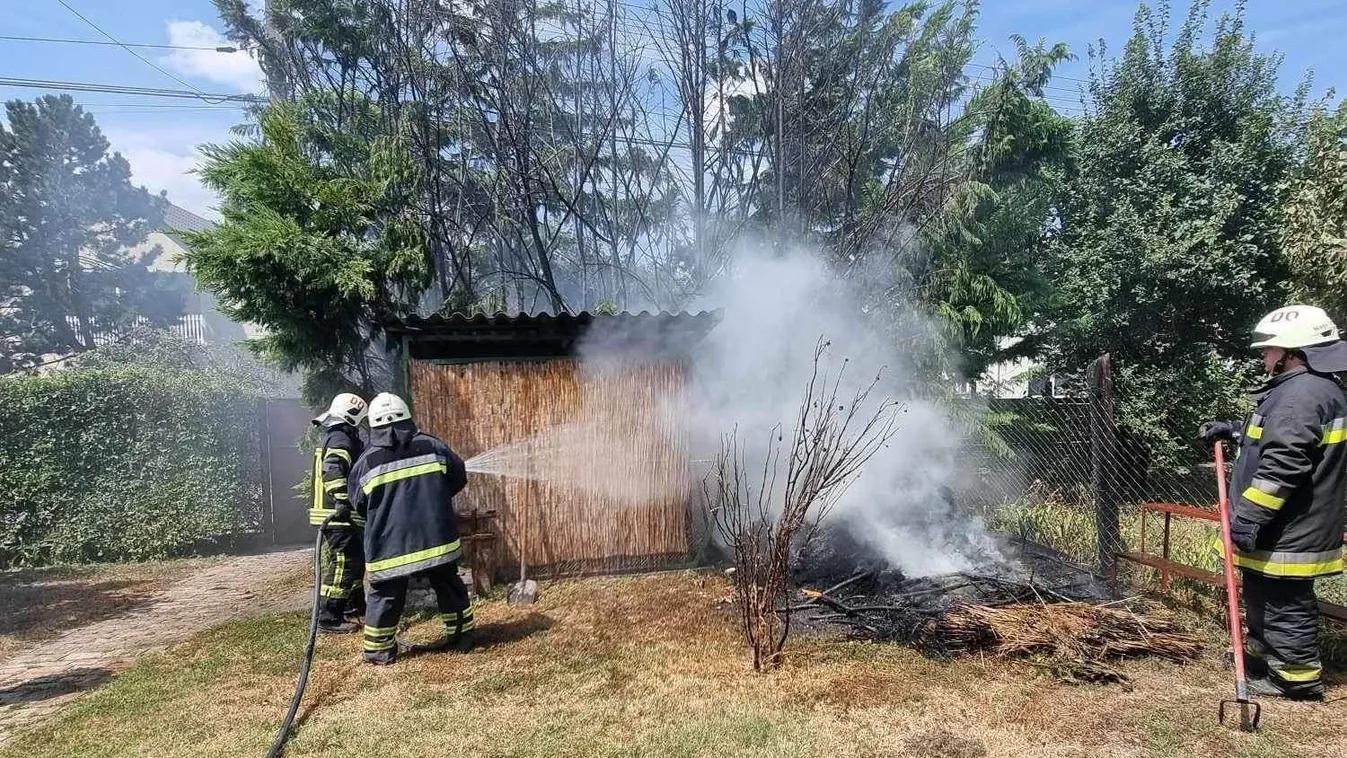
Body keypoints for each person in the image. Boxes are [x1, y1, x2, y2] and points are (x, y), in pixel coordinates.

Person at [1199, 304, 1347, 700]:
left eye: (1269, 350)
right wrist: (1235, 431)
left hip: (1290, 528)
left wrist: (1247, 517)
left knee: (1285, 604)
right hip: (1284, 524)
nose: (1263, 356)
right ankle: (1265, 660)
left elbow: (1283, 465)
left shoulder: (1301, 395)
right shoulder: (1306, 391)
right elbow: (1278, 439)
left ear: (1292, 353)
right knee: (1263, 596)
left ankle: (1296, 681)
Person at [348, 392, 475, 665]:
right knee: (449, 584)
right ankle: (463, 636)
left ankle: (379, 651)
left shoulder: (366, 462)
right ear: (407, 417)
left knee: (385, 595)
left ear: (373, 425)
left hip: (389, 546)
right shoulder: (433, 447)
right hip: (437, 539)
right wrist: (434, 498)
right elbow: (458, 477)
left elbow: (358, 503)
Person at [310, 392, 369, 634]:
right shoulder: (340, 440)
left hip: (338, 515)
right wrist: (343, 500)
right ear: (352, 417)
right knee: (345, 562)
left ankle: (352, 608)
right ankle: (329, 616)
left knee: (355, 562)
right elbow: (332, 470)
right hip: (336, 515)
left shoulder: (335, 436)